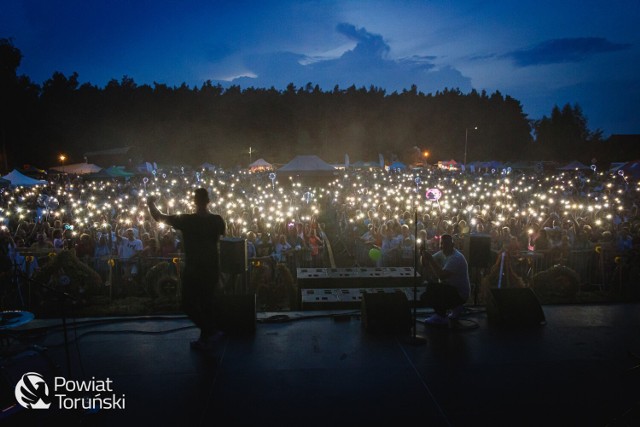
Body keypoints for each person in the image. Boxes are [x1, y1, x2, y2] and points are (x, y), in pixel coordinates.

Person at [148, 188, 226, 351]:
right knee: (206, 304)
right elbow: (222, 240)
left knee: (188, 304)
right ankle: (206, 338)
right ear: (208, 201)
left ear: (195, 201)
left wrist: (150, 203)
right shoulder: (218, 220)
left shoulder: (188, 220)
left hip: (194, 269)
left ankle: (210, 332)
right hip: (211, 267)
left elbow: (159, 217)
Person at [420, 234, 470, 326]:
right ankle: (455, 308)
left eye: (446, 244)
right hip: (453, 290)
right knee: (430, 290)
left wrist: (430, 259)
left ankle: (441, 317)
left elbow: (442, 276)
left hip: (459, 294)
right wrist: (423, 254)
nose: (443, 246)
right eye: (442, 244)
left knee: (430, 290)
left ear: (452, 245)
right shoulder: (442, 253)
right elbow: (425, 262)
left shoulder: (456, 258)